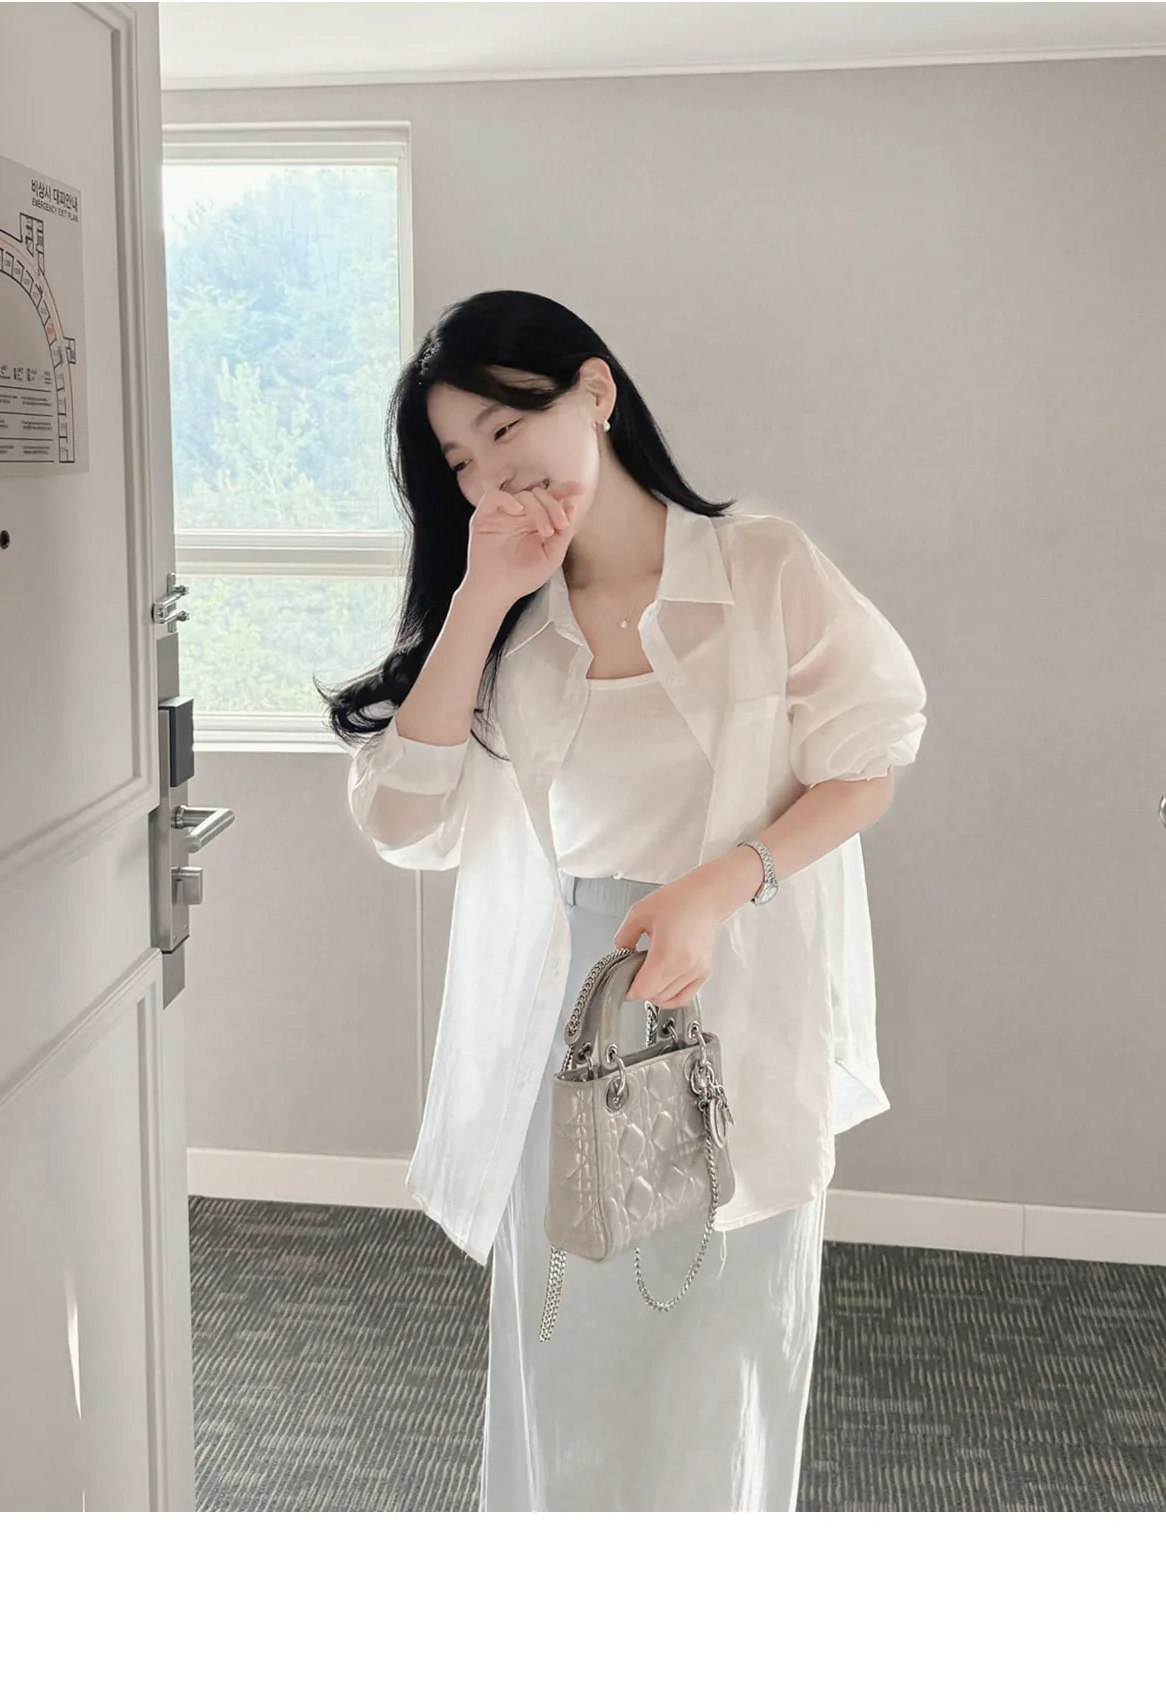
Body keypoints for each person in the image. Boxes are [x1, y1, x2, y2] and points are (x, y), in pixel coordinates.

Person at [320, 289, 928, 1510]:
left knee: (724, 1355)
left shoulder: (761, 565)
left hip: (734, 998)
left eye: (506, 426)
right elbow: (401, 818)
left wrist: (721, 884)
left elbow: (870, 755)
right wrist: (481, 595)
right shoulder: (505, 619)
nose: (492, 472)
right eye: (459, 459)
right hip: (574, 1013)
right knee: (568, 1349)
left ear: (593, 391)